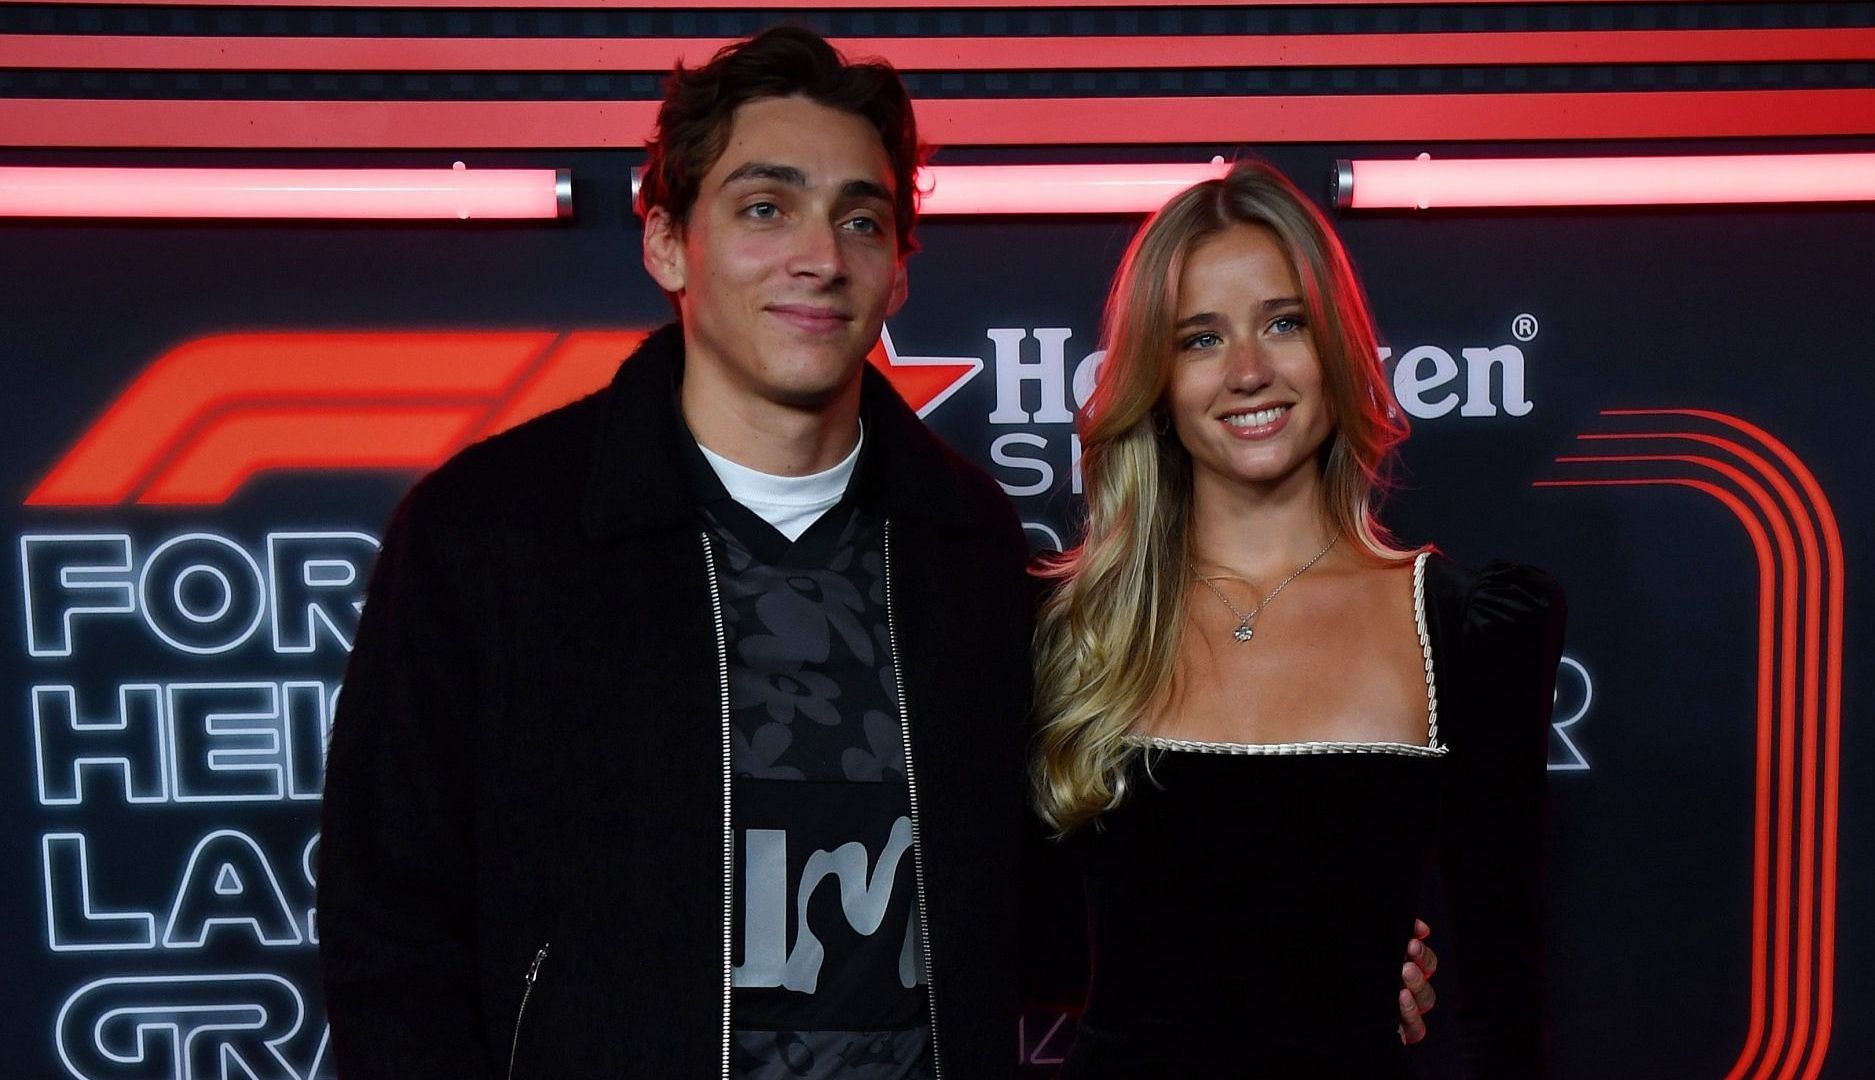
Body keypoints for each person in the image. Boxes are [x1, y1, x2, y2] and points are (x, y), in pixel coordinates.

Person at [318, 27, 1438, 1080]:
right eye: (766, 208)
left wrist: (1333, 966)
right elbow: (389, 933)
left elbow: (1065, 907)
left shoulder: (968, 546)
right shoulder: (492, 533)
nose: (819, 257)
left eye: (861, 221)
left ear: (901, 267)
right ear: (668, 241)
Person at [1030, 160, 1565, 1078]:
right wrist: (1276, 967)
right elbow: (997, 940)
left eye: (1285, 323)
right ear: (1155, 378)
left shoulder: (1463, 626)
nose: (1247, 371)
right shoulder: (1069, 628)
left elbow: (1501, 1001)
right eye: (1200, 339)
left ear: (1339, 348)